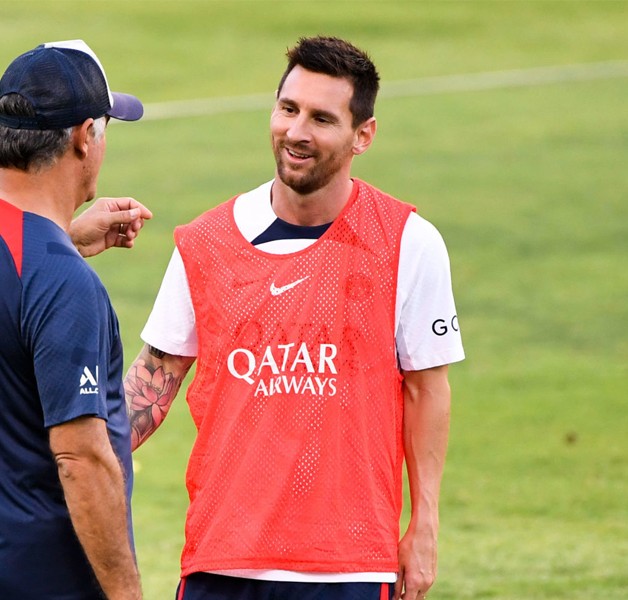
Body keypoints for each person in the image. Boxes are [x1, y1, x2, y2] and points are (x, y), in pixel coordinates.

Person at [124, 37, 464, 600]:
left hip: (351, 565)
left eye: (321, 119)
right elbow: (154, 377)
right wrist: (71, 455)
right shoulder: (206, 242)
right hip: (222, 559)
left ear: (363, 135)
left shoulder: (408, 242)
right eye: (288, 109)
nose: (297, 132)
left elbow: (427, 390)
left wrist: (424, 523)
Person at [0, 40, 151, 600]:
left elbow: (9, 291)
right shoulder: (62, 281)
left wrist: (62, 240)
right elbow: (81, 458)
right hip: (46, 582)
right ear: (84, 137)